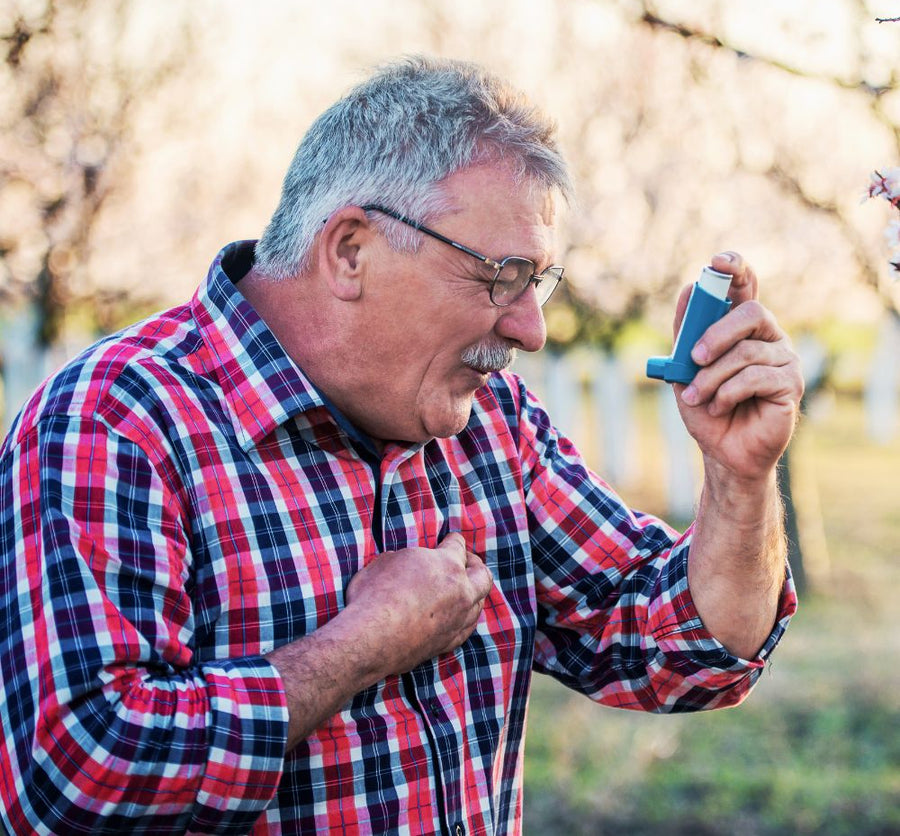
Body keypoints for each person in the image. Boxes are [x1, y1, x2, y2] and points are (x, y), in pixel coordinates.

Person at [0, 55, 801, 835]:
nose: (531, 328)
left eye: (538, 282)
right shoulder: (118, 422)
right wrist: (357, 648)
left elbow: (683, 649)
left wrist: (740, 479)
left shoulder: (491, 422)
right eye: (500, 276)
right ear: (351, 251)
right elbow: (75, 779)